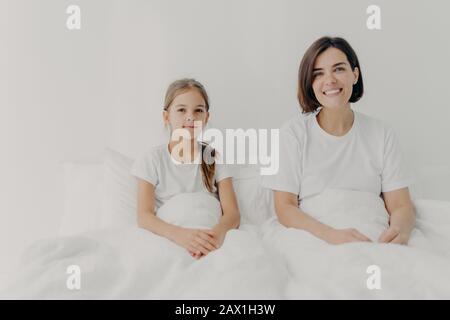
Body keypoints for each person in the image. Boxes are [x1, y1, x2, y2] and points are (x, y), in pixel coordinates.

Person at [262, 36, 415, 245]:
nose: (330, 80)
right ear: (310, 83)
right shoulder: (293, 133)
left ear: (355, 74)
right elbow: (285, 208)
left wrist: (399, 231)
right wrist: (331, 235)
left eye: (339, 69)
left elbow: (400, 205)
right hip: (316, 236)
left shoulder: (382, 134)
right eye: (318, 74)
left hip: (374, 234)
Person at [131, 78, 240, 259]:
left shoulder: (214, 158)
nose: (191, 117)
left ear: (207, 117)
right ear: (166, 117)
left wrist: (213, 237)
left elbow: (233, 213)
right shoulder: (153, 159)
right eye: (181, 110)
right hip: (173, 237)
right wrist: (182, 236)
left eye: (198, 111)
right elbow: (144, 216)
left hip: (209, 236)